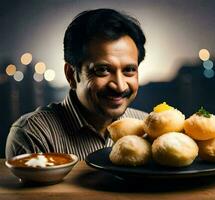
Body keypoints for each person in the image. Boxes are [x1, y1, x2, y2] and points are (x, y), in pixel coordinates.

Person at [5, 8, 147, 160]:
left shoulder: (147, 128)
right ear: (71, 74)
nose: (120, 86)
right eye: (103, 70)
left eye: (129, 70)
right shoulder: (34, 135)